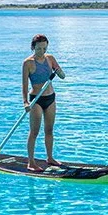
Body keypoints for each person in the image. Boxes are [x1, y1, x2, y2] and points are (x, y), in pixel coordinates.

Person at [22, 34, 66, 171]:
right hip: (36, 99)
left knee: (49, 130)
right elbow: (24, 86)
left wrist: (58, 71)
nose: (42, 51)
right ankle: (31, 162)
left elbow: (63, 76)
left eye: (44, 48)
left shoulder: (50, 59)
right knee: (34, 132)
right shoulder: (28, 63)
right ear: (33, 47)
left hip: (50, 97)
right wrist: (25, 103)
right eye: (39, 49)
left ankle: (50, 158)